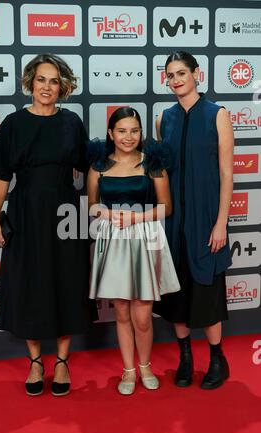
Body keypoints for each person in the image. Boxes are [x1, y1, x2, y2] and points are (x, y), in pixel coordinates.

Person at [0, 53, 96, 397]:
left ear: (62, 86)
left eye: (54, 81)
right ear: (30, 83)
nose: (47, 87)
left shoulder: (71, 123)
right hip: (26, 211)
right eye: (41, 80)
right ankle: (36, 361)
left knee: (67, 280)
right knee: (29, 282)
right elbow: (2, 176)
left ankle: (62, 361)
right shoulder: (12, 125)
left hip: (66, 211)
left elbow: (89, 168)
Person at [154, 51, 234, 390]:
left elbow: (227, 175)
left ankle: (217, 359)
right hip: (173, 224)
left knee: (207, 293)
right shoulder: (164, 119)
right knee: (177, 297)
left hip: (206, 221)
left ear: (196, 74)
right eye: (170, 75)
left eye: (181, 73)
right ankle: (185, 357)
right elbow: (161, 175)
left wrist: (221, 223)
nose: (176, 80)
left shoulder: (218, 115)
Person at [87, 107, 180, 395]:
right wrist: (104, 213)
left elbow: (167, 207)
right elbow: (91, 206)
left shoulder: (152, 164)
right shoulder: (98, 167)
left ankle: (145, 366)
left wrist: (134, 218)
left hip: (144, 238)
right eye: (122, 131)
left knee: (143, 314)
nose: (129, 137)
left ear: (141, 133)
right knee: (123, 312)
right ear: (111, 134)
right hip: (114, 241)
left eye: (135, 130)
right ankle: (128, 371)